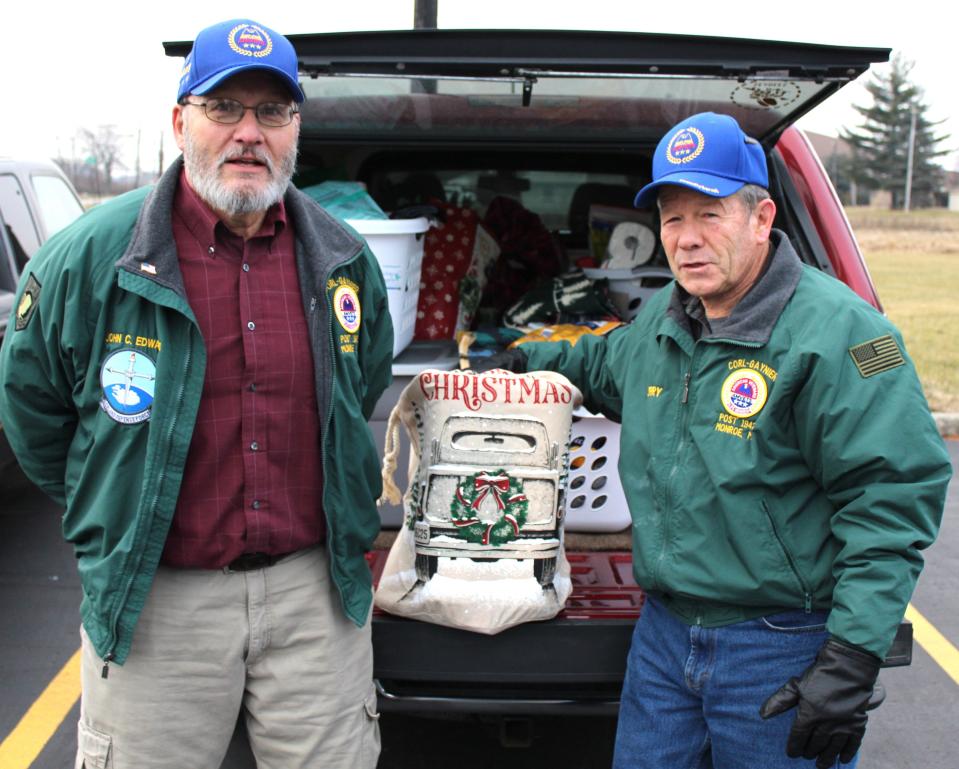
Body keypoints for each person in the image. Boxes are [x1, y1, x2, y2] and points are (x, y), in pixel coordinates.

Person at [480, 112, 951, 768]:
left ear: (760, 219)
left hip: (779, 642)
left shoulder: (843, 335)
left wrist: (850, 655)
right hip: (664, 639)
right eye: (672, 218)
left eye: (710, 214)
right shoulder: (666, 320)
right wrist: (521, 362)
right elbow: (602, 361)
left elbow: (891, 497)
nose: (687, 239)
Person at [0, 19, 392, 769]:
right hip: (158, 601)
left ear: (295, 129)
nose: (249, 132)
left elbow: (360, 381)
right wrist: (113, 506)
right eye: (224, 108)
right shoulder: (91, 258)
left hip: (314, 599)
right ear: (181, 122)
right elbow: (33, 410)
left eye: (271, 112)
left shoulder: (344, 260)